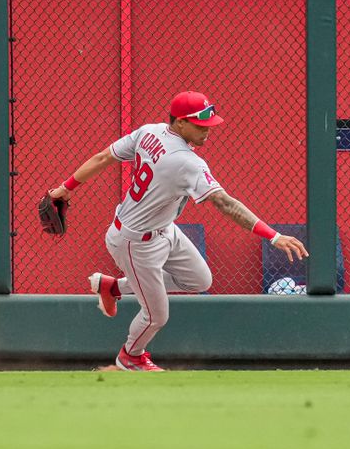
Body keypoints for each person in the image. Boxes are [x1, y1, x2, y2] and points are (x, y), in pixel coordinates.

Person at [49, 91, 308, 371]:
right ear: (181, 123)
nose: (207, 131)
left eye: (209, 124)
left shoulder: (149, 131)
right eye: (200, 125)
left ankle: (114, 287)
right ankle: (130, 356)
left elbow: (102, 158)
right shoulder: (187, 162)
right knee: (156, 316)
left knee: (199, 280)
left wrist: (65, 188)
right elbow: (224, 203)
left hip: (163, 229)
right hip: (136, 243)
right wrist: (274, 235)